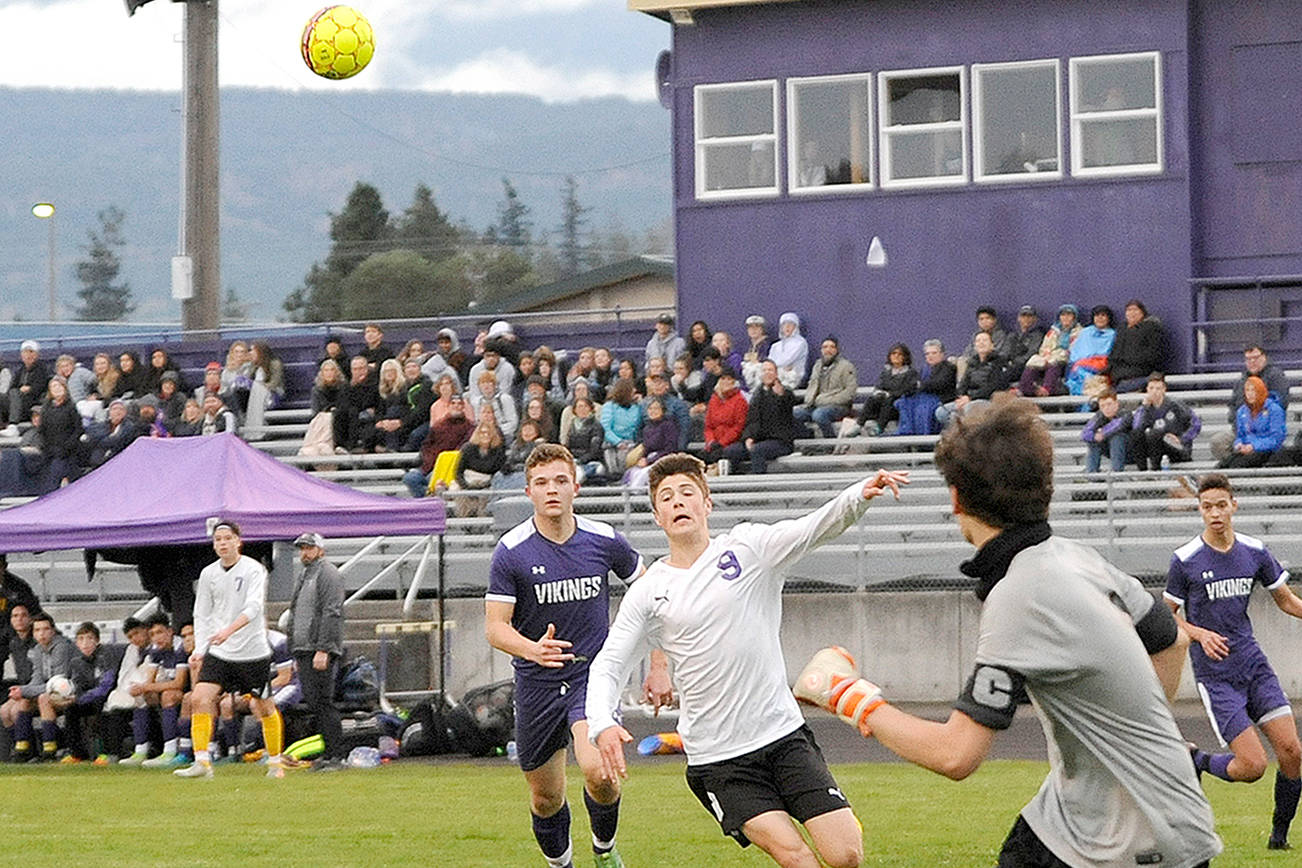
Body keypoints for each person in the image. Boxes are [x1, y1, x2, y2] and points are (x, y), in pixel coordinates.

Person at [793, 400, 1221, 868]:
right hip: (1099, 820)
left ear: (956, 498)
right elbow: (1171, 640)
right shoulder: (1080, 558)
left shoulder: (1020, 595)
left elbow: (955, 755)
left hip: (1130, 843)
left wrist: (844, 694)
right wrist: (1125, 748)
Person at [587, 454, 908, 868]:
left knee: (845, 854)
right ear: (657, 516)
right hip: (719, 759)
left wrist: (858, 495)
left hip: (784, 735)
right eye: (666, 497)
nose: (677, 501)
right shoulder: (648, 592)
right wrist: (602, 723)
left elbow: (811, 529)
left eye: (687, 492)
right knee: (796, 857)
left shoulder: (748, 547)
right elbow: (610, 663)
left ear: (707, 504)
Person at [485, 443, 670, 868]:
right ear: (529, 492)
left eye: (560, 481)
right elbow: (495, 627)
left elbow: (653, 599)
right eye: (541, 483)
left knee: (600, 774)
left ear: (576, 487)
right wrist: (533, 649)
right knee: (545, 797)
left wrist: (659, 664)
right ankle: (561, 865)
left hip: (592, 677)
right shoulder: (511, 551)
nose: (552, 490)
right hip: (536, 684)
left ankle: (604, 851)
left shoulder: (604, 540)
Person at [1172, 474, 1302, 850]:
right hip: (1216, 676)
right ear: (1199, 510)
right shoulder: (1185, 559)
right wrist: (1199, 634)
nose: (1214, 513)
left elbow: (1286, 600)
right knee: (1252, 767)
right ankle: (1196, 760)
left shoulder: (1254, 551)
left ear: (1234, 505)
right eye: (1206, 507)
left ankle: (1278, 839)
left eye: (1220, 505)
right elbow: (1167, 616)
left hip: (1253, 666)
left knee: (1292, 752)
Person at [175, 520, 284, 779]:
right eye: (218, 539)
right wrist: (200, 649)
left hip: (252, 651)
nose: (222, 543)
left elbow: (254, 607)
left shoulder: (254, 569)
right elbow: (202, 613)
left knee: (263, 706)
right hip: (221, 652)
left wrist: (228, 630)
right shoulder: (208, 573)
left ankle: (275, 763)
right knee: (199, 698)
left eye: (227, 538)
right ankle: (202, 762)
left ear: (238, 541)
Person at [286, 533, 346, 771]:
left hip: (318, 648)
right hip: (304, 648)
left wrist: (324, 648)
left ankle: (336, 755)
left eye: (309, 548)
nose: (305, 553)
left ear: (321, 549)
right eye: (302, 548)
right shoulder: (304, 575)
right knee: (314, 701)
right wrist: (295, 648)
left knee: (322, 701)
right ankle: (328, 753)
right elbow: (296, 613)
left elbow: (332, 611)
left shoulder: (328, 573)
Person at [1211, 345, 1292, 463]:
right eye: (1248, 359)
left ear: (1264, 357)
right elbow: (1233, 406)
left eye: (1255, 358)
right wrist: (1240, 427)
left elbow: (1280, 403)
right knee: (1218, 441)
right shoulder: (1241, 381)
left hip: (1265, 431)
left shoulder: (1276, 377)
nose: (1252, 362)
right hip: (1242, 430)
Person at [12, 611, 74, 762]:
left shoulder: (62, 647)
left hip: (71, 690)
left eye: (46, 629)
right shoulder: (37, 650)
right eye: (37, 630)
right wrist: (23, 691)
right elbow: (37, 679)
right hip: (51, 690)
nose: (42, 634)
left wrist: (24, 690)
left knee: (43, 698)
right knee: (24, 700)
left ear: (53, 631)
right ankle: (22, 749)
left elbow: (58, 682)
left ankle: (49, 750)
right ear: (33, 633)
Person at [1127, 373, 1202, 471]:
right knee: (1138, 434)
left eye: (1158, 388)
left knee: (1155, 434)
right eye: (1151, 388)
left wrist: (1182, 439)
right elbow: (1136, 427)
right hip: (1155, 448)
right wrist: (1144, 408)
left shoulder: (1175, 405)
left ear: (1164, 390)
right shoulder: (1144, 408)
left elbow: (1196, 424)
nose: (1154, 392)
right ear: (1147, 389)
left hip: (1176, 447)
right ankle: (1142, 471)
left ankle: (1156, 471)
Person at [935, 332, 1005, 428]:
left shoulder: (999, 362)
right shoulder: (972, 363)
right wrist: (961, 397)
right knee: (941, 412)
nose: (981, 343)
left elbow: (994, 387)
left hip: (987, 399)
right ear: (975, 346)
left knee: (966, 410)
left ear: (992, 345)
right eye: (978, 341)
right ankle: (962, 432)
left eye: (985, 340)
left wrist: (971, 397)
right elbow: (963, 383)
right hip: (968, 399)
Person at [793, 337, 858, 438]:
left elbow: (850, 392)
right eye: (825, 347)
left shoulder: (846, 366)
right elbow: (812, 386)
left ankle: (830, 441)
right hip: (816, 405)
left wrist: (826, 400)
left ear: (837, 350)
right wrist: (809, 400)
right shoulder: (817, 365)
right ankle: (808, 437)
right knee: (795, 413)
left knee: (819, 415)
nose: (828, 350)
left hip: (839, 406)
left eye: (832, 347)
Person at [740, 359, 797, 474]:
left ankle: (757, 478)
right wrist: (749, 437)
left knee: (757, 450)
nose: (767, 373)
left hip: (781, 441)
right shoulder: (757, 394)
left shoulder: (784, 392)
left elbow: (789, 403)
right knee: (732, 451)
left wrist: (780, 396)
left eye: (770, 370)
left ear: (776, 373)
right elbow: (752, 420)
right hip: (760, 439)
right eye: (764, 370)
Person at [1220, 374, 1287, 468]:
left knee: (1238, 464)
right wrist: (1239, 444)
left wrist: (1254, 446)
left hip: (1267, 451)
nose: (1250, 394)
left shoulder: (1274, 410)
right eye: (1247, 390)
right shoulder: (1242, 411)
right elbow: (1240, 435)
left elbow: (1276, 438)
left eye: (1253, 390)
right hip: (1247, 450)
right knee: (1223, 464)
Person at [1017, 304, 1082, 397]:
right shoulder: (1053, 331)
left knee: (1054, 364)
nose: (1066, 318)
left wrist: (1057, 356)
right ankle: (1024, 388)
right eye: (1063, 315)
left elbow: (1075, 350)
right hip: (1049, 357)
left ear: (1074, 317)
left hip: (1065, 360)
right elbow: (1044, 347)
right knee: (1033, 362)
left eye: (1069, 315)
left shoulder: (1080, 332)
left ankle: (1047, 389)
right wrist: (1046, 356)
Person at [853, 344, 917, 437]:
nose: (896, 356)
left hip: (898, 407)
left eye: (900, 354)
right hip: (882, 406)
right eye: (893, 353)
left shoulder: (911, 373)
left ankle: (879, 428)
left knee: (889, 399)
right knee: (872, 398)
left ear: (905, 357)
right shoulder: (885, 373)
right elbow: (879, 386)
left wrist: (890, 394)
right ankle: (859, 425)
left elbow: (907, 390)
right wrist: (881, 393)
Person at [1107, 299, 1167, 392]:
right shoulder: (1121, 330)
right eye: (1129, 310)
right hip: (1118, 378)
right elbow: (1114, 355)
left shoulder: (1152, 328)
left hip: (1139, 375)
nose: (1131, 313)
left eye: (1135, 310)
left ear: (1142, 312)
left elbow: (1154, 355)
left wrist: (1129, 359)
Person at [701, 366, 748, 471]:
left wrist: (721, 443)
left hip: (733, 442)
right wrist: (711, 441)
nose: (725, 382)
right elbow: (708, 426)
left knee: (726, 453)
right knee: (701, 456)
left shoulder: (740, 400)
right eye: (723, 378)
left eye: (729, 379)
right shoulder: (713, 400)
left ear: (734, 381)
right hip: (715, 441)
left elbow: (738, 427)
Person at [1064, 305, 1115, 397]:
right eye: (1097, 315)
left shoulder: (1113, 334)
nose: (1100, 318)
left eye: (1103, 315)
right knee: (1077, 371)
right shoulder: (1085, 332)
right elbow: (1075, 353)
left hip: (1101, 367)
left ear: (1108, 318)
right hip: (1080, 365)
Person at [6, 340, 49, 435]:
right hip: (16, 401)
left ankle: (13, 425)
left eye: (31, 352)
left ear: (37, 355)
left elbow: (39, 387)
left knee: (15, 393)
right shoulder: (20, 370)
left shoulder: (42, 369)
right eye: (25, 352)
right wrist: (20, 390)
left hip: (32, 402)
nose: (28, 355)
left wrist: (29, 389)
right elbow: (11, 387)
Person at [1080, 389, 1129, 473]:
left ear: (1116, 403)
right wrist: (1094, 437)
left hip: (1129, 451)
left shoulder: (1126, 413)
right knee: (1093, 441)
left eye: (1109, 404)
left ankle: (1116, 473)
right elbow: (1084, 434)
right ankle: (1092, 473)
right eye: (1102, 406)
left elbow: (1117, 425)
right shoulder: (1100, 416)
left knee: (1117, 437)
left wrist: (1102, 433)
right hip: (1111, 450)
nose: (1106, 408)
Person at [1004, 305, 1046, 384]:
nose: (1026, 319)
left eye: (1029, 316)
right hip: (1010, 365)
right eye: (1023, 316)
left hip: (1026, 366)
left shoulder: (1038, 335)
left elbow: (1033, 352)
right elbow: (1006, 351)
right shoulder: (1012, 335)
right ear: (1018, 318)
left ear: (1035, 319)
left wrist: (1017, 362)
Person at [768, 313, 809, 390]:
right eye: (784, 324)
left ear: (795, 327)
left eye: (790, 324)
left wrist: (775, 367)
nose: (787, 327)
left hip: (792, 378)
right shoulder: (775, 346)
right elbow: (769, 362)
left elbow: (787, 360)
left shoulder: (800, 343)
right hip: (776, 375)